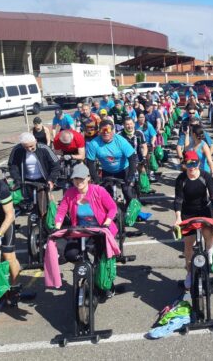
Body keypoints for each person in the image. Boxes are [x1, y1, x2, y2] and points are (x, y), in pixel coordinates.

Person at [54, 163, 118, 297]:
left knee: (102, 257)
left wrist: (106, 223)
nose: (78, 182)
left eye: (81, 179)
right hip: (80, 230)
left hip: (100, 229)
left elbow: (112, 208)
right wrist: (57, 226)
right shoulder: (70, 193)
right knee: (71, 253)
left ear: (88, 178)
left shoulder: (98, 190)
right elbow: (61, 211)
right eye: (75, 179)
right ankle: (88, 268)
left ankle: (105, 282)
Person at [173, 151, 213, 289]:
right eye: (189, 164)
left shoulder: (205, 176)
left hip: (204, 210)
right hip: (187, 213)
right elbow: (178, 200)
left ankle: (209, 255)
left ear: (199, 163)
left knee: (209, 232)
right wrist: (177, 218)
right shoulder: (181, 179)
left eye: (194, 163)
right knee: (188, 246)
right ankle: (189, 273)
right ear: (185, 164)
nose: (192, 167)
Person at [8, 133, 60, 218]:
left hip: (43, 179)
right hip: (26, 180)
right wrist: (17, 180)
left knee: (45, 202)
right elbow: (12, 166)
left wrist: (51, 180)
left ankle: (51, 220)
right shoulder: (17, 149)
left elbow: (56, 164)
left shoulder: (44, 148)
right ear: (22, 145)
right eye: (26, 147)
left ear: (35, 141)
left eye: (31, 146)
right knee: (31, 203)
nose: (29, 149)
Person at [0, 169, 20, 301]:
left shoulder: (0, 186)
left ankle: (15, 287)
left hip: (4, 225)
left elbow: (10, 215)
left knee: (8, 255)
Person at [85, 120, 138, 204]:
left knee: (127, 191)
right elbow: (90, 162)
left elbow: (132, 158)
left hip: (124, 169)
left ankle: (132, 211)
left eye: (108, 130)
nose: (105, 133)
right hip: (107, 171)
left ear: (113, 130)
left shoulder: (121, 141)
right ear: (99, 131)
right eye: (103, 130)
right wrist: (95, 178)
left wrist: (130, 176)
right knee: (106, 194)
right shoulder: (93, 143)